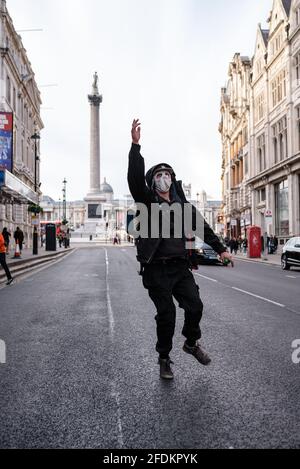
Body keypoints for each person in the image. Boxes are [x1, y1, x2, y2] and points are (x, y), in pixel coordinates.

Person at [128, 119, 233, 380]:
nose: (164, 179)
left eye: (167, 175)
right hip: (156, 270)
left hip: (180, 267)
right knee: (167, 315)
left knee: (195, 306)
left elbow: (205, 229)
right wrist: (135, 147)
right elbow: (133, 179)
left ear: (173, 181)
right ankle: (164, 358)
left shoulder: (184, 208)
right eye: (158, 176)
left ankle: (191, 342)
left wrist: (221, 250)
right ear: (152, 182)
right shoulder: (147, 204)